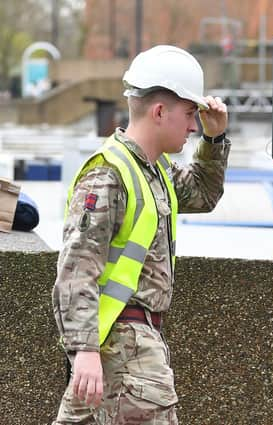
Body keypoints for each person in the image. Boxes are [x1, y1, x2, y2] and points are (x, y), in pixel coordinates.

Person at [51, 45, 231, 424]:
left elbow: (202, 194)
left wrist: (214, 141)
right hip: (124, 349)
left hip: (127, 346)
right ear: (160, 112)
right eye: (189, 114)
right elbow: (76, 269)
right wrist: (83, 350)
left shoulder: (153, 170)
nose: (193, 125)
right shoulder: (110, 174)